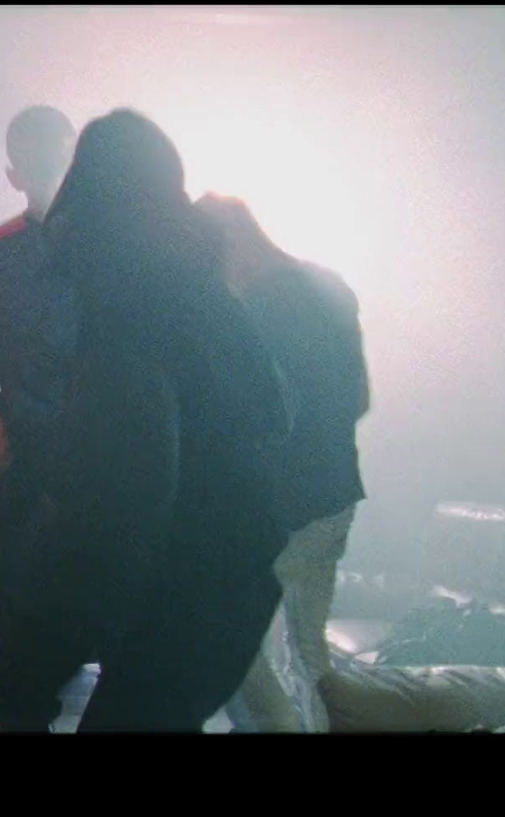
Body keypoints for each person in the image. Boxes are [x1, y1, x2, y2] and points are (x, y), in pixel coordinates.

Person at [0, 109, 292, 731]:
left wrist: (35, 669)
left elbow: (121, 506)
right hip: (220, 580)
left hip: (179, 587)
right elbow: (272, 410)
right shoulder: (196, 284)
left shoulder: (127, 317)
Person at [199, 196, 371, 732]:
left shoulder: (253, 310)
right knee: (308, 648)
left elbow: (262, 419)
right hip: (336, 497)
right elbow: (359, 398)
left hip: (282, 510)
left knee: (224, 643)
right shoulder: (329, 286)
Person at [0, 105, 82, 729]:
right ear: (13, 173)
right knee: (17, 598)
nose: (47, 172)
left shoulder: (115, 252)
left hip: (103, 463)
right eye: (36, 160)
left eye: (54, 157)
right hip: (29, 460)